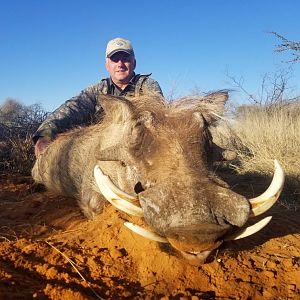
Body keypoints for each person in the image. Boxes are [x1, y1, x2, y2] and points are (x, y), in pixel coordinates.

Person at [33, 37, 163, 156]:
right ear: (107, 65)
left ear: (134, 63)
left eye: (125, 59)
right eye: (114, 59)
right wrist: (45, 133)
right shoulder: (98, 90)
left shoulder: (148, 86)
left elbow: (158, 117)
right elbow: (72, 108)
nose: (120, 64)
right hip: (103, 154)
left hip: (141, 153)